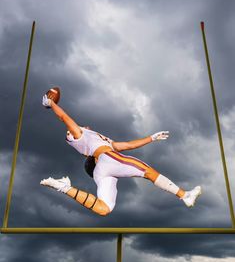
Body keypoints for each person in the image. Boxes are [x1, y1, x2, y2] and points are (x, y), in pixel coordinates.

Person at [40, 91, 202, 216]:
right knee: (147, 171)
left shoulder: (100, 140)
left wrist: (151, 138)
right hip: (106, 159)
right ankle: (184, 195)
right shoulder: (81, 136)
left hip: (101, 171)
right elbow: (64, 116)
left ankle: (64, 188)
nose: (83, 126)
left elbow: (127, 145)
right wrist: (51, 102)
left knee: (105, 208)